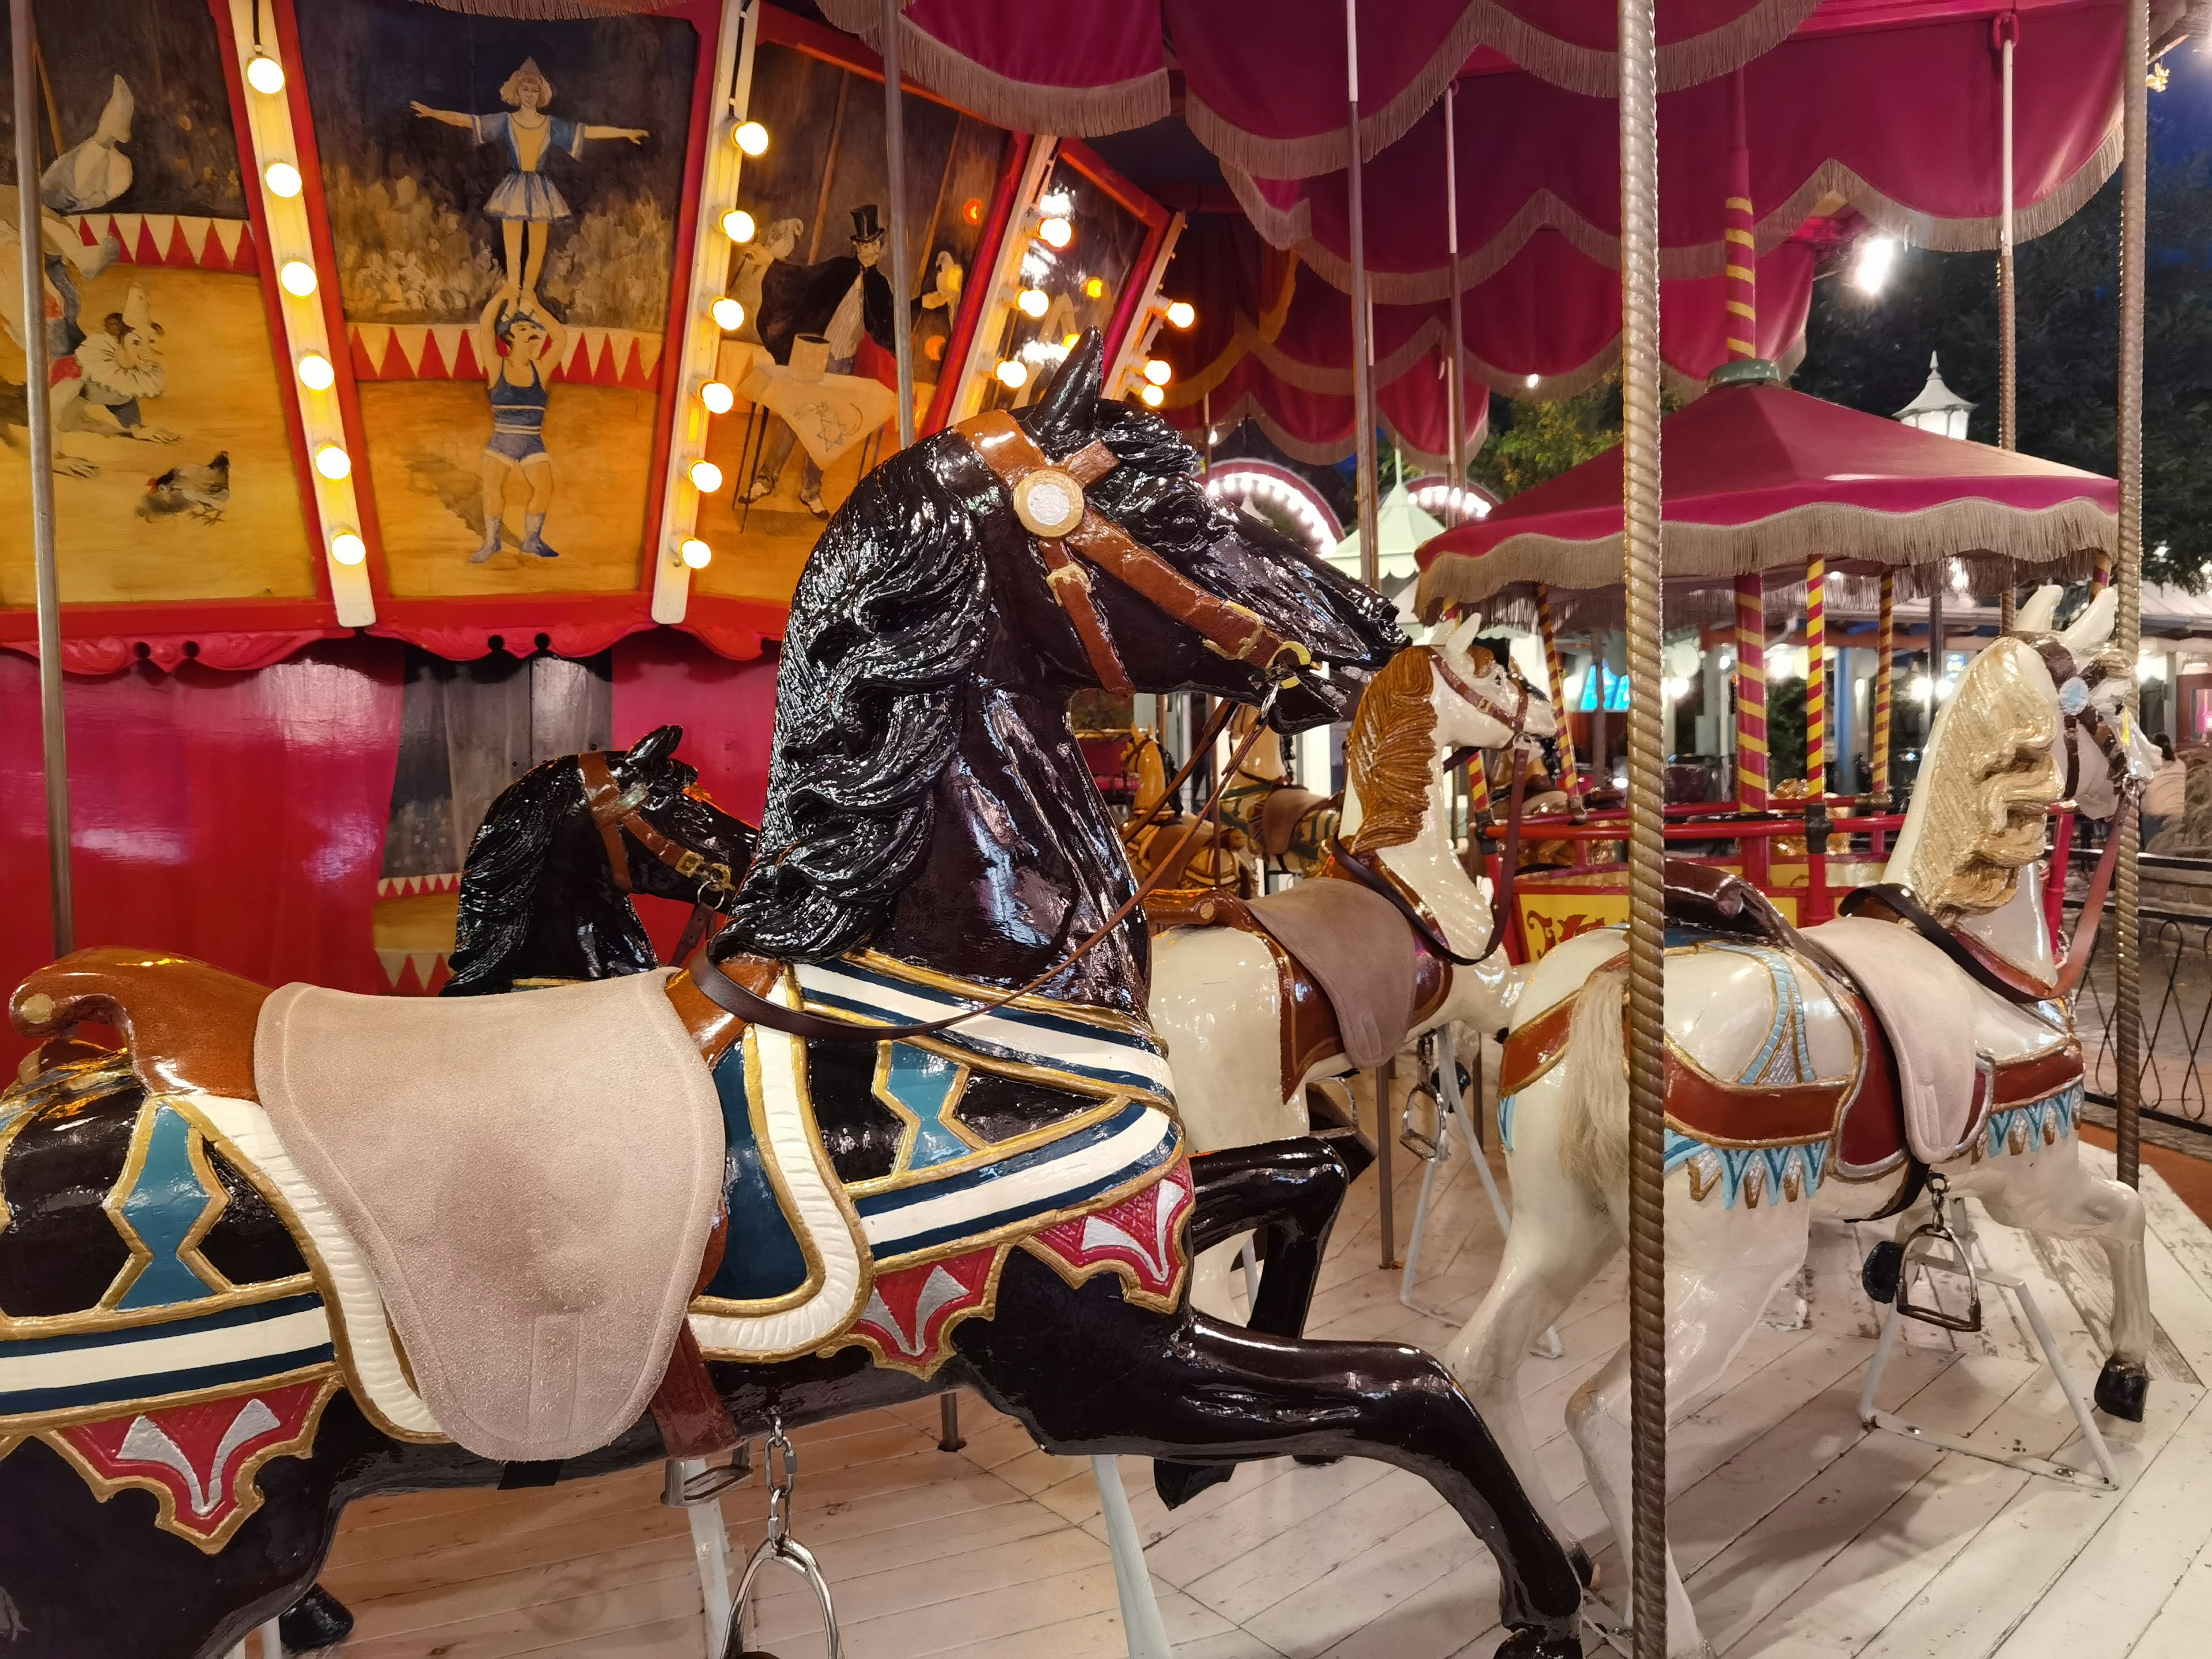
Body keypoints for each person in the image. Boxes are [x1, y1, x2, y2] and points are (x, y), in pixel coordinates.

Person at [411, 60, 647, 312]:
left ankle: (528, 296)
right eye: (525, 89)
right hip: (514, 187)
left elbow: (586, 132)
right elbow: (469, 121)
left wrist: (625, 132)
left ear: (541, 93)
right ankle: (513, 295)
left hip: (540, 189)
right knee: (512, 247)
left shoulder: (551, 124)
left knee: (537, 248)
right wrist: (433, 113)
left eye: (534, 90)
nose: (530, 95)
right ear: (517, 91)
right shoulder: (505, 121)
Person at [470, 293, 567, 561]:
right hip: (502, 440)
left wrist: (535, 303)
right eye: (522, 328)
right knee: (491, 489)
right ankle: (492, 543)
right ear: (509, 337)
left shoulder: (541, 370)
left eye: (533, 328)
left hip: (532, 441)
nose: (532, 332)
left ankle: (532, 542)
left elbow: (559, 338)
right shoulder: (496, 365)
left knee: (544, 489)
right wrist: (503, 295)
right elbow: (485, 326)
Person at [2142, 731, 2186, 850]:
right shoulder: (2181, 765)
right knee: (2173, 853)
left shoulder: (2150, 765)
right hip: (2177, 812)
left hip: (2154, 813)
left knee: (2152, 851)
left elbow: (2141, 786)